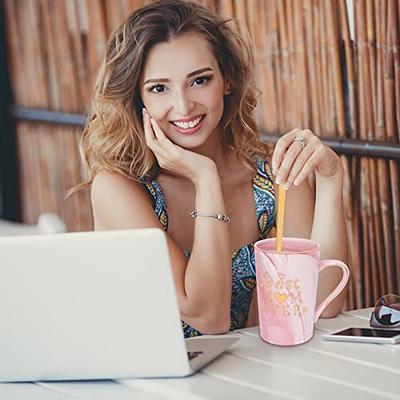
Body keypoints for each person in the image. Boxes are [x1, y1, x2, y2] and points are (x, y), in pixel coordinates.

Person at [77, 0, 348, 337]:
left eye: (200, 80)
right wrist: (206, 180)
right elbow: (209, 318)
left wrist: (331, 179)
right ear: (138, 99)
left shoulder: (273, 176)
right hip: (139, 383)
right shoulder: (120, 188)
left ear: (227, 80)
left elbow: (318, 304)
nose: (183, 105)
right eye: (159, 88)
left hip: (231, 376)